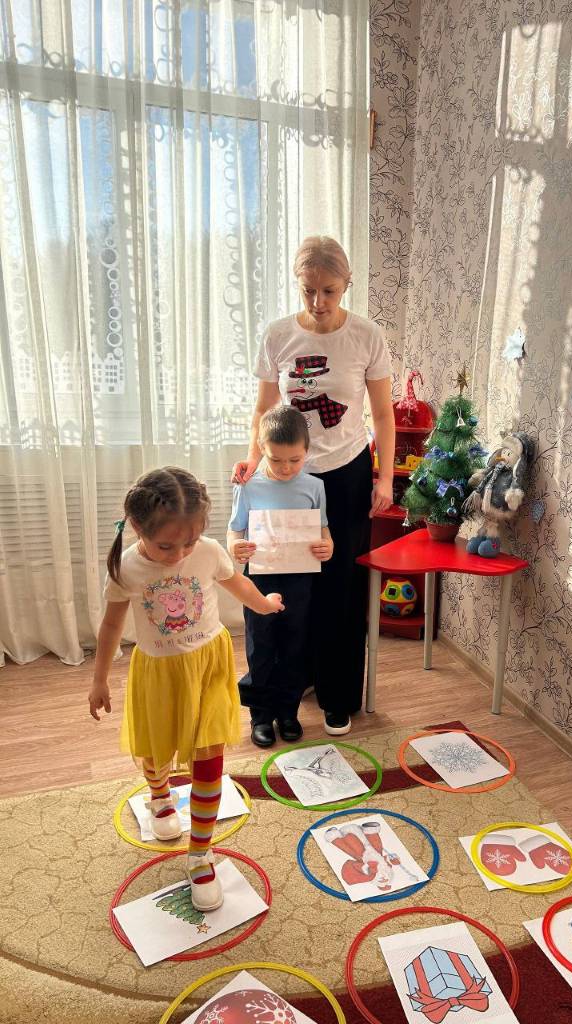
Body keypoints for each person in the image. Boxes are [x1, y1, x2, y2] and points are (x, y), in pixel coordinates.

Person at [87, 467, 283, 912]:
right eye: (166, 546)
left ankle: (200, 854)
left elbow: (238, 583)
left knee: (209, 757)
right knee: (157, 748)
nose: (178, 554)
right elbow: (111, 625)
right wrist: (99, 679)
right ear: (137, 528)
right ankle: (159, 797)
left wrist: (264, 604)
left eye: (189, 542)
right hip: (159, 673)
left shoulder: (209, 551)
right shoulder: (127, 567)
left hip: (209, 665)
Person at [232, 236, 395, 736]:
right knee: (282, 584)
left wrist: (385, 477)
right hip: (286, 475)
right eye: (308, 290)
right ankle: (284, 687)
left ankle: (337, 694)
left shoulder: (366, 336)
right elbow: (264, 410)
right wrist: (253, 461)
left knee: (339, 588)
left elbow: (383, 415)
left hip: (345, 473)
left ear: (347, 284)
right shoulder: (278, 335)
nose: (318, 301)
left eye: (328, 291)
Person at [227, 405, 333, 748]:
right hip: (259, 578)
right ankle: (260, 716)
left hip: (300, 579)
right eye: (276, 460)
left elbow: (323, 530)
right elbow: (234, 530)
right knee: (260, 645)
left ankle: (288, 712)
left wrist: (328, 546)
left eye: (295, 460)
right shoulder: (248, 486)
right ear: (261, 449)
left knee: (294, 644)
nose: (286, 468)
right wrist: (235, 547)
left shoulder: (314, 487)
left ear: (307, 451)